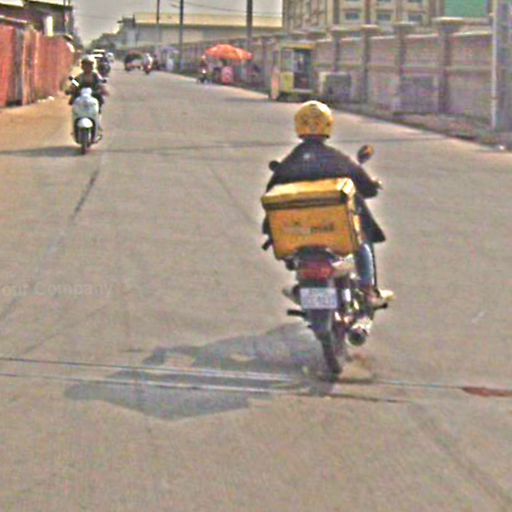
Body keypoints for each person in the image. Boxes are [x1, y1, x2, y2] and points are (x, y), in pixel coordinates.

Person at [264, 100, 393, 308]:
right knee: (362, 239)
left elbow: (270, 196)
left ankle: (304, 289)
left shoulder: (289, 163)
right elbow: (367, 187)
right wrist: (371, 186)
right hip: (335, 228)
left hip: (300, 232)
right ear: (328, 126)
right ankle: (368, 289)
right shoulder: (339, 160)